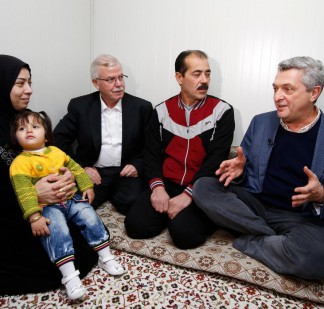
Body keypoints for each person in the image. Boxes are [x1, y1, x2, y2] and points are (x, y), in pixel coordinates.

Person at [193, 56, 324, 280]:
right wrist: (239, 171)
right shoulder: (261, 123)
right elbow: (243, 169)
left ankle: (251, 239)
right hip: (255, 205)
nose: (277, 97)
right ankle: (276, 239)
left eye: (288, 89)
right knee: (204, 187)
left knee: (316, 257)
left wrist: (321, 195)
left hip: (300, 218)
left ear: (314, 93)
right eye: (275, 89)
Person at [0, 54, 97, 295]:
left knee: (84, 249)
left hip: (45, 208)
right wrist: (32, 193)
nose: (29, 90)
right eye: (20, 83)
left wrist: (67, 178)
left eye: (30, 82)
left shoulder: (26, 119)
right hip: (9, 213)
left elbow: (51, 155)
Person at [10, 110, 126, 300]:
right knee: (57, 231)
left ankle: (106, 257)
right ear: (16, 136)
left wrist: (87, 186)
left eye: (35, 126)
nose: (29, 131)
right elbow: (23, 192)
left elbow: (76, 168)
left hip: (71, 200)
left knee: (90, 217)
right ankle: (70, 277)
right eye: (22, 128)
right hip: (47, 207)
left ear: (46, 135)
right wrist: (34, 217)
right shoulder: (20, 163)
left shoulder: (57, 152)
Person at [125, 50, 235, 249]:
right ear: (179, 77)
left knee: (184, 236)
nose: (204, 80)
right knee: (134, 226)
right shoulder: (161, 111)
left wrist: (188, 196)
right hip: (167, 183)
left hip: (200, 187)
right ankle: (172, 212)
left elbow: (216, 160)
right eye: (197, 74)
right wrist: (157, 188)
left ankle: (192, 216)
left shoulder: (223, 111)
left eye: (208, 74)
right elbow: (151, 154)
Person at [53, 54, 153, 214]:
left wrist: (137, 165)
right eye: (111, 79)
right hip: (93, 171)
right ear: (96, 83)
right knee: (76, 205)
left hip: (125, 171)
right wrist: (80, 168)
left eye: (121, 77)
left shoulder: (142, 107)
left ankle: (114, 193)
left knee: (133, 203)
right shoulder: (80, 106)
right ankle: (105, 192)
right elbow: (57, 140)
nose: (119, 84)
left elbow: (151, 146)